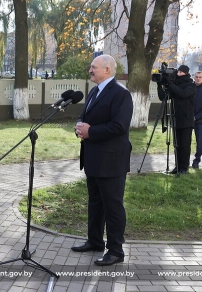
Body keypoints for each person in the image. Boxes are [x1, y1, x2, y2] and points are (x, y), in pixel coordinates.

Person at [71, 55, 133, 266]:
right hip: (93, 158)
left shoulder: (121, 94)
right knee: (95, 203)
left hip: (111, 160)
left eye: (93, 67)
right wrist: (80, 126)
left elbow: (119, 127)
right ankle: (95, 241)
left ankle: (115, 250)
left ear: (107, 70)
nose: (90, 70)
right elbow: (86, 117)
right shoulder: (94, 92)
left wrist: (91, 131)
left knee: (113, 206)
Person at [157, 65, 196, 175]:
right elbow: (163, 97)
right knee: (177, 145)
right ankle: (177, 167)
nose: (178, 74)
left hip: (187, 120)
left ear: (186, 73)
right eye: (177, 72)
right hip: (176, 119)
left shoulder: (191, 85)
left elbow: (182, 93)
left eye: (180, 73)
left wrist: (170, 83)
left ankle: (184, 168)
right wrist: (160, 85)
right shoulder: (175, 85)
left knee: (184, 145)